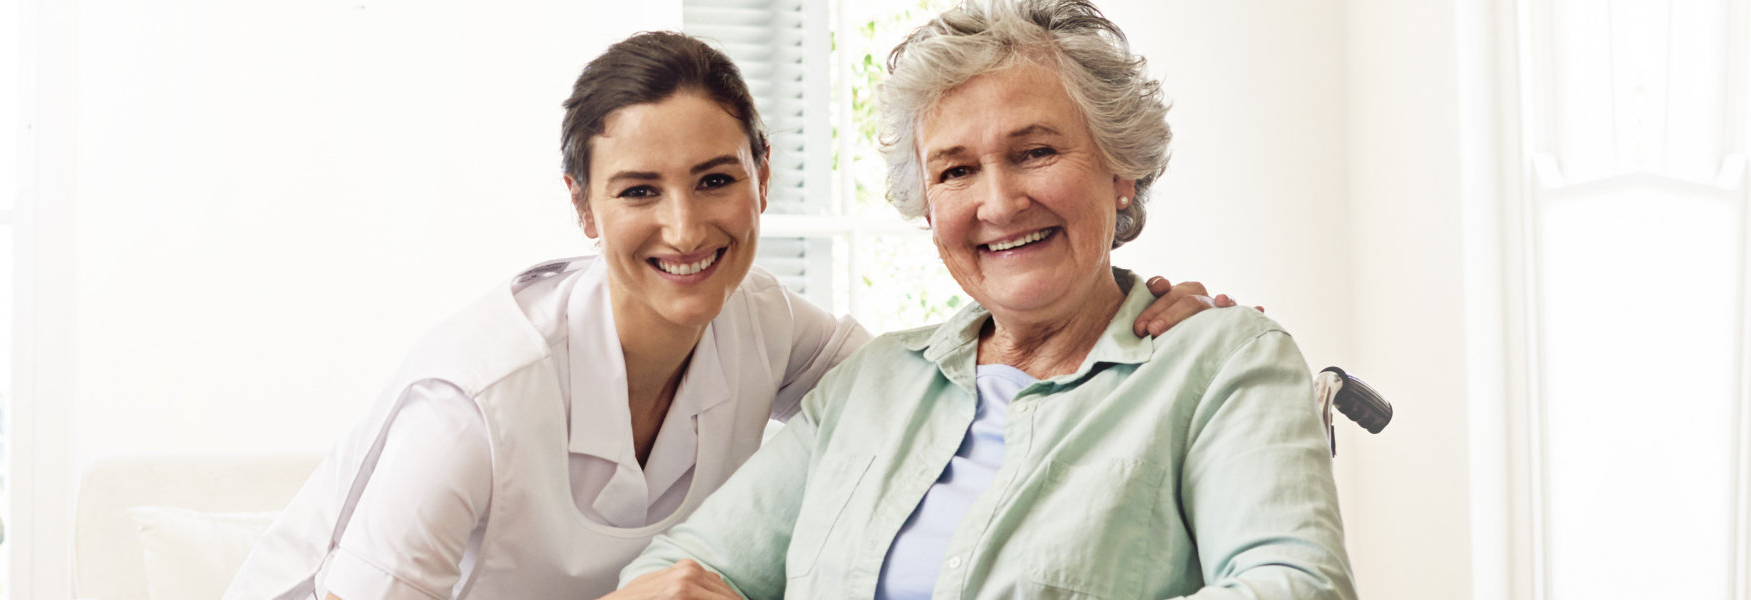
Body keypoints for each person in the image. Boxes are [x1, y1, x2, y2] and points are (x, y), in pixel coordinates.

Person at [224, 30, 1234, 600]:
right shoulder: (473, 402)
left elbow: (938, 386)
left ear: (763, 176)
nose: (684, 226)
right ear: (580, 204)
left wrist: (1134, 322)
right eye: (636, 191)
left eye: (714, 179)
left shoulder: (764, 323)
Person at [614, 1, 1356, 598]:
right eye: (956, 171)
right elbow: (684, 566)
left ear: (1120, 169)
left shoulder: (1221, 364)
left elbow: (1295, 584)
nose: (999, 204)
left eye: (1035, 152)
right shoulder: (872, 383)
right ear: (929, 207)